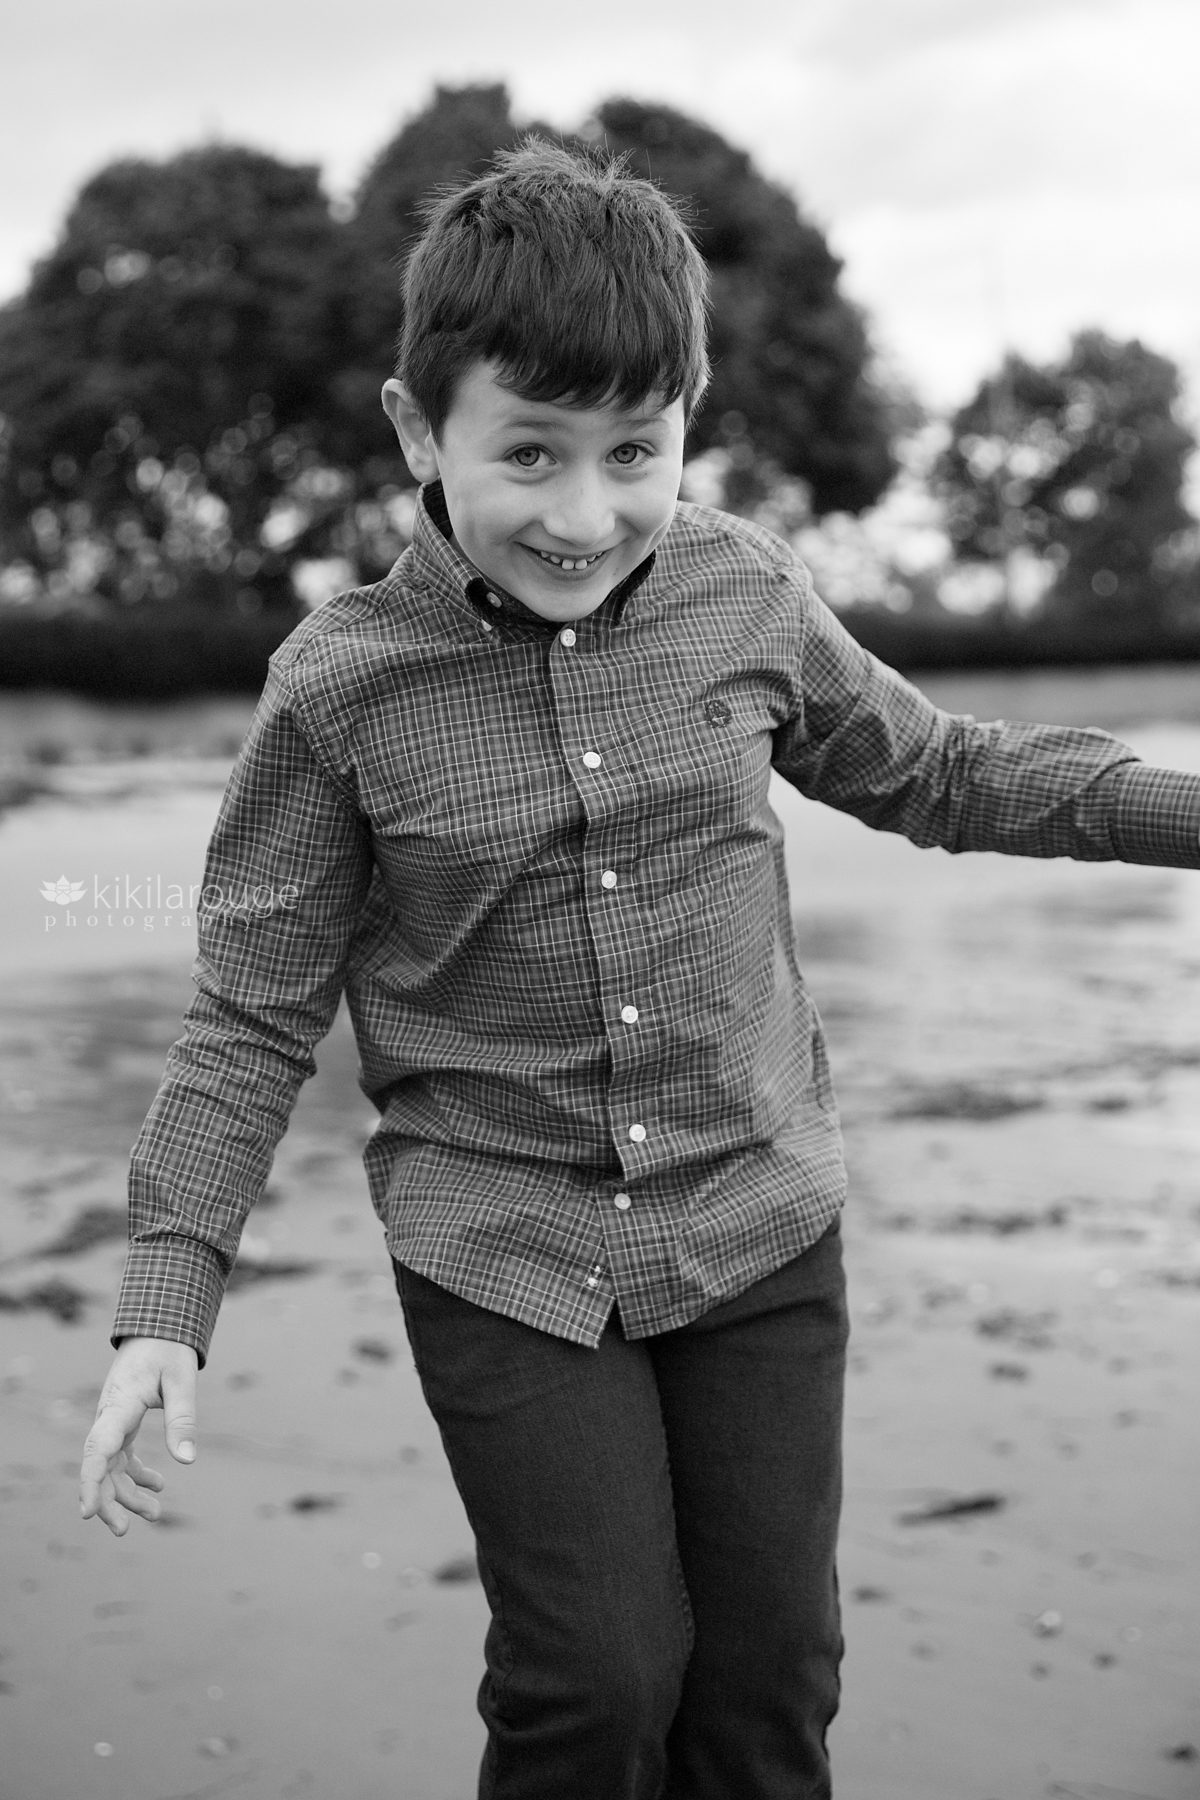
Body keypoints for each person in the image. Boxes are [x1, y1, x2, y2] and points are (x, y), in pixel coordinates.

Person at [79, 139, 1200, 1800]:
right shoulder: (338, 690)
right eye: (527, 452)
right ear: (416, 430)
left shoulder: (744, 593)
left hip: (759, 1216)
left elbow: (945, 770)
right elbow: (252, 1016)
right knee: (596, 1684)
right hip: (503, 1241)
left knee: (770, 1689)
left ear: (689, 422)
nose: (584, 513)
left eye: (638, 452)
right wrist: (168, 1294)